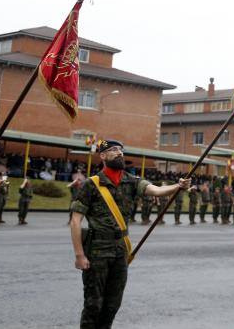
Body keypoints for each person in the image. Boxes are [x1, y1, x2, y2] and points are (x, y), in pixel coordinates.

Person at [69, 139, 189, 328]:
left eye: (121, 150)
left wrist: (177, 186)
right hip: (97, 251)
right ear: (102, 156)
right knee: (93, 304)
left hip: (119, 250)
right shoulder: (91, 185)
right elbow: (75, 221)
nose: (119, 153)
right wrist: (79, 255)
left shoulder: (132, 181)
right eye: (114, 150)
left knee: (112, 304)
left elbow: (156, 191)